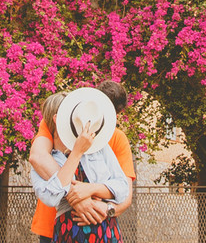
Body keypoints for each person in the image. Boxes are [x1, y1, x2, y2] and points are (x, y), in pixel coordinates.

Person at [29, 82, 135, 242]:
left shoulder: (111, 141)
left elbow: (123, 191)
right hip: (55, 226)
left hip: (102, 226)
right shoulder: (61, 119)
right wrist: (78, 199)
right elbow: (37, 158)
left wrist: (105, 206)